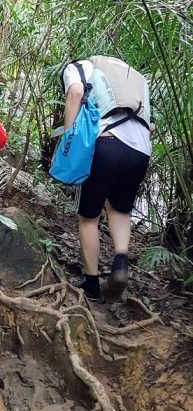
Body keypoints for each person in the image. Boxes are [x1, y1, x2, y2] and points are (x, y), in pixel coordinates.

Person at [62, 56, 155, 301]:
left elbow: (75, 93)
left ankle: (91, 286)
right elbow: (151, 126)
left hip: (105, 144)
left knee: (88, 218)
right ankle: (121, 260)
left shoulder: (80, 67)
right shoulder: (137, 78)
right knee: (120, 210)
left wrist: (69, 141)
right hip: (141, 150)